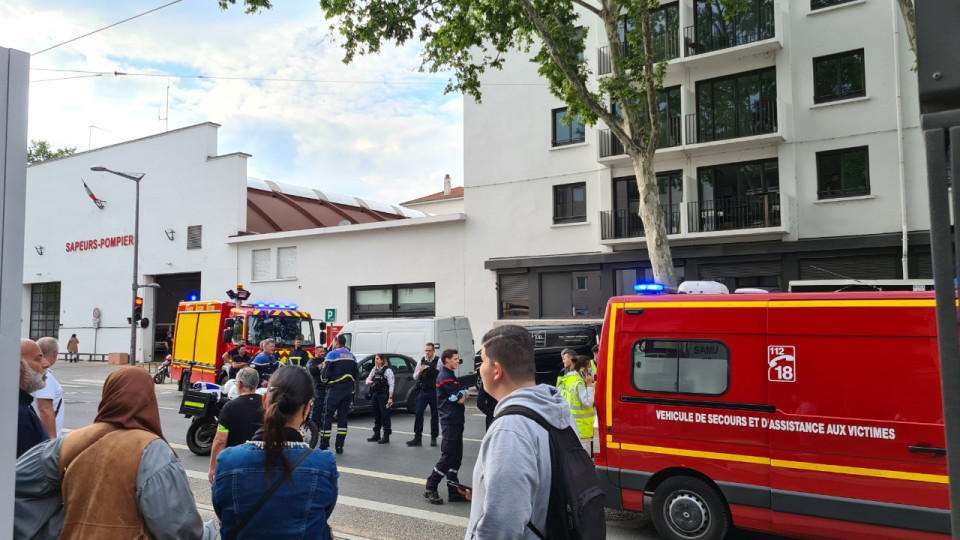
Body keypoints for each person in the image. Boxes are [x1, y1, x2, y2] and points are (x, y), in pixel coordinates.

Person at [15, 366, 217, 540]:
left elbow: (14, 486)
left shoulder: (68, 443)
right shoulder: (153, 450)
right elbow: (178, 528)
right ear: (149, 399)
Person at [463, 325, 575, 538]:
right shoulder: (557, 411)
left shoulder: (510, 428)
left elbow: (502, 525)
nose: (479, 369)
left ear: (497, 371)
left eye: (483, 362)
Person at [213, 366, 338, 540]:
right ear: (308, 407)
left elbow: (222, 515)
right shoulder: (324, 464)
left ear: (264, 400)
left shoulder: (227, 461)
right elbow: (324, 513)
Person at [424, 349, 469, 505]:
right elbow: (459, 399)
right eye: (455, 359)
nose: (458, 361)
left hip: (456, 420)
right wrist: (463, 392)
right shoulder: (444, 377)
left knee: (456, 457)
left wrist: (462, 392)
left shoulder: (450, 376)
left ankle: (454, 491)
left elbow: (460, 395)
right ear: (447, 360)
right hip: (449, 420)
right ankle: (430, 487)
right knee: (448, 455)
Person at [208, 367, 265, 483]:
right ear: (256, 384)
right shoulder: (267, 406)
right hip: (262, 465)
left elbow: (220, 441)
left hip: (235, 465)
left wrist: (213, 467)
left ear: (239, 384)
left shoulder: (229, 407)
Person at [320, 335, 358, 454]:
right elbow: (356, 375)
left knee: (327, 416)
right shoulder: (352, 356)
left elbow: (325, 373)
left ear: (336, 342)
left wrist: (325, 382)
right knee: (343, 418)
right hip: (347, 390)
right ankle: (340, 446)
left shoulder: (332, 354)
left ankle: (324, 445)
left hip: (335, 389)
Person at [18, 339, 50, 458]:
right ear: (18, 366)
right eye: (38, 358)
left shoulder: (20, 406)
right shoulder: (18, 414)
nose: (46, 363)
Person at [557, 355, 595, 452]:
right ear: (582, 369)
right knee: (583, 457)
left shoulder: (566, 378)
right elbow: (588, 403)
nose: (591, 371)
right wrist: (589, 385)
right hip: (581, 427)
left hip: (568, 424)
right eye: (589, 368)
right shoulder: (578, 383)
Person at [407, 342, 440, 447]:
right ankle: (417, 438)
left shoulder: (438, 361)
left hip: (434, 391)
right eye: (426, 350)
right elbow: (415, 376)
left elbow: (443, 374)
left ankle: (434, 437)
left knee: (434, 415)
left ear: (433, 351)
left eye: (429, 351)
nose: (427, 353)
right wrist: (420, 372)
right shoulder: (421, 361)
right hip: (423, 391)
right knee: (419, 413)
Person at [33, 337, 65, 439]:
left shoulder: (32, 373)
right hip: (43, 440)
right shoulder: (46, 376)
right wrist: (51, 442)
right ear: (55, 354)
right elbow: (45, 409)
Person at [365, 353, 395, 444]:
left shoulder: (387, 370)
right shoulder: (374, 370)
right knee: (376, 414)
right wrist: (370, 381)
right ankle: (376, 434)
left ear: (382, 360)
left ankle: (386, 435)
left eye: (377, 359)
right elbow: (367, 380)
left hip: (383, 395)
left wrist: (390, 398)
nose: (375, 360)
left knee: (385, 415)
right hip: (375, 394)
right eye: (375, 359)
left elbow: (392, 385)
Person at [308, 345, 328, 426]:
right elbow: (311, 370)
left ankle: (322, 426)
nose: (323, 353)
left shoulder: (327, 360)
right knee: (317, 408)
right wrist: (320, 366)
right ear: (316, 353)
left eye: (323, 351)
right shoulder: (312, 361)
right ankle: (314, 427)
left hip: (326, 388)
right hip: (317, 388)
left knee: (325, 409)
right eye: (321, 352)